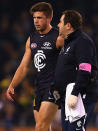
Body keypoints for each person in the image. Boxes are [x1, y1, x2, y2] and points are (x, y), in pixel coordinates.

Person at [6, 2, 64, 131]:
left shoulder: (59, 37)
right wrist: (12, 85)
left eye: (40, 18)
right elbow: (23, 67)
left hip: (54, 86)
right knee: (43, 127)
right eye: (34, 18)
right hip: (39, 87)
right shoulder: (32, 39)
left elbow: (72, 59)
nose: (36, 21)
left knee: (40, 126)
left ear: (49, 18)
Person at [51, 10, 98, 131]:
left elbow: (85, 69)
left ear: (68, 25)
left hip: (80, 97)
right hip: (68, 98)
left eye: (60, 22)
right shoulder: (68, 43)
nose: (58, 25)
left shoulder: (82, 42)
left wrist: (75, 93)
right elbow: (66, 70)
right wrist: (57, 88)